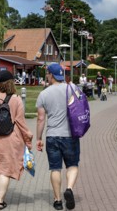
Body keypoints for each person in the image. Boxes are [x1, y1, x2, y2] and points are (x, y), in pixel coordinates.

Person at [0, 70, 33, 210]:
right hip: (9, 140)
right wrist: (28, 139)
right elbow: (21, 123)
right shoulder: (16, 99)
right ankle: (1, 202)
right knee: (5, 170)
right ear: (11, 82)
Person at [36, 63, 80, 210]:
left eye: (47, 74)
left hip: (52, 136)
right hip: (70, 136)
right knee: (72, 166)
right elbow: (82, 105)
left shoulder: (44, 94)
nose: (46, 76)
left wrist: (38, 138)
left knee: (55, 169)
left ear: (51, 75)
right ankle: (69, 189)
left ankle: (58, 201)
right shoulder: (72, 88)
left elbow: (41, 119)